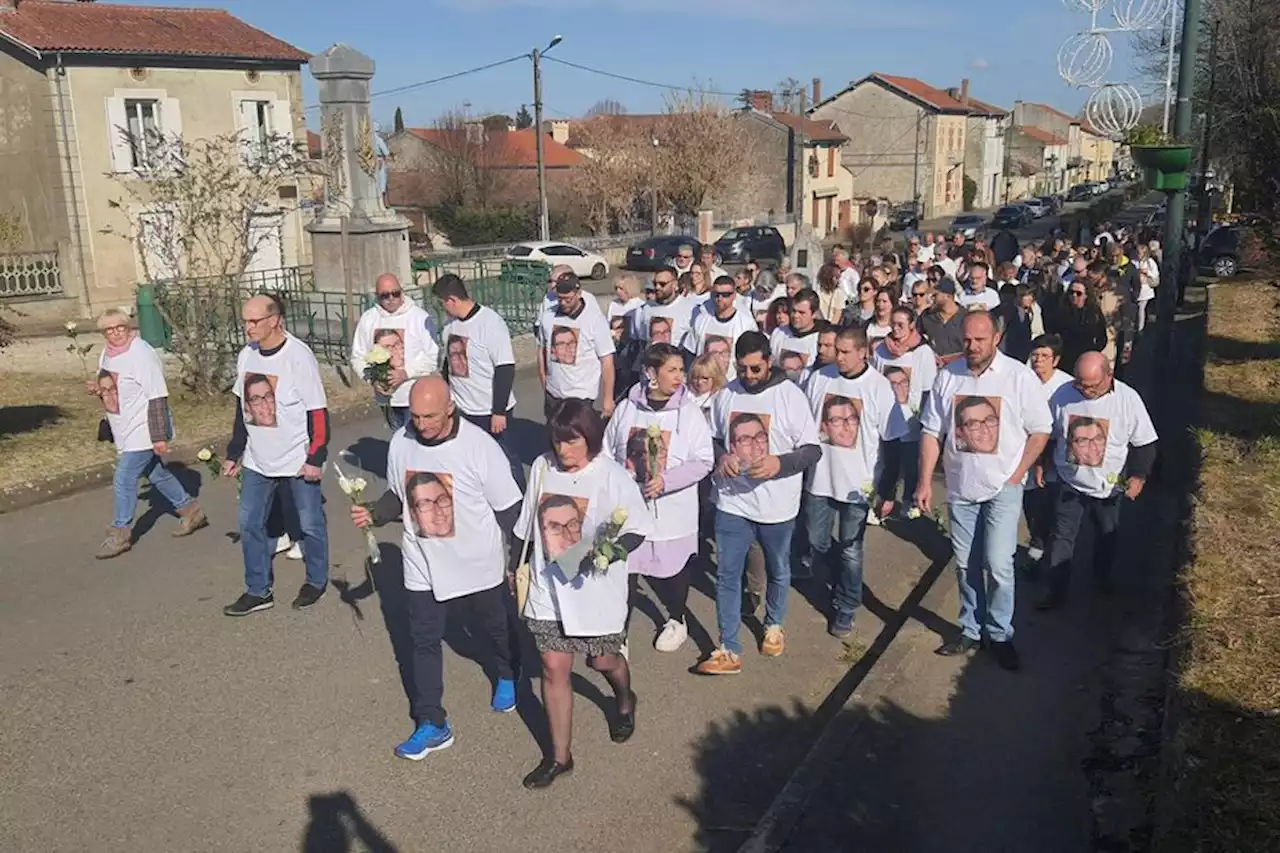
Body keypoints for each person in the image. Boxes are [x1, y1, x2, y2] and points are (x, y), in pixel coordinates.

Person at [350, 376, 524, 760]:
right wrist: (375, 513)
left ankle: (508, 671)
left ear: (450, 408)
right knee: (422, 639)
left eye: (429, 416)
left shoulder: (480, 448)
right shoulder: (402, 441)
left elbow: (511, 509)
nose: (421, 425)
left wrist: (519, 562)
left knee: (495, 626)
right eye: (414, 416)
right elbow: (400, 492)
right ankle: (432, 723)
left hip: (478, 561)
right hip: (422, 561)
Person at [510, 400, 652, 789]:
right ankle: (560, 757)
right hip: (547, 589)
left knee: (602, 662)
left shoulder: (610, 475)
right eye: (557, 442)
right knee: (554, 667)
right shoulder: (542, 468)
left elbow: (637, 527)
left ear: (589, 437)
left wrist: (610, 551)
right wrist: (512, 566)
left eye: (571, 442)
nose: (563, 451)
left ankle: (624, 697)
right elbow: (525, 527)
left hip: (594, 592)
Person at [916, 312, 1052, 671]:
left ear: (997, 337)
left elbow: (1040, 431)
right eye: (967, 340)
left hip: (1002, 488)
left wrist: (1017, 474)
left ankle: (1000, 633)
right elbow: (932, 432)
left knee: (998, 564)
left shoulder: (1018, 378)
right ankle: (971, 629)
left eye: (980, 339)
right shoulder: (949, 377)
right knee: (964, 564)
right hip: (961, 488)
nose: (972, 346)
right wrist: (924, 480)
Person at [695, 331, 821, 675]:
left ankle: (774, 624)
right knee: (727, 575)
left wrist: (780, 463)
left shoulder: (790, 397)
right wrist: (722, 458)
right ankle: (728, 647)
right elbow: (714, 440)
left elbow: (812, 450)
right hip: (732, 502)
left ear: (769, 362)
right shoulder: (726, 395)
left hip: (777, 506)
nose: (748, 376)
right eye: (742, 368)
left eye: (755, 369)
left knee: (778, 569)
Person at [222, 295, 331, 616]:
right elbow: (240, 409)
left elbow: (318, 413)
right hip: (258, 459)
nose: (248, 328)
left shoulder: (298, 356)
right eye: (245, 321)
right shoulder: (247, 356)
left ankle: (316, 581)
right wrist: (234, 452)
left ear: (275, 320)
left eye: (254, 321)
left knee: (310, 524)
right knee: (249, 523)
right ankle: (258, 590)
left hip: (297, 458)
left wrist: (316, 456)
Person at [604, 343, 714, 652]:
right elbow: (607, 450)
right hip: (629, 509)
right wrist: (619, 482)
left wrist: (666, 481)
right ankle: (618, 633)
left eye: (682, 369)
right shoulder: (628, 408)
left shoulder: (689, 413)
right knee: (625, 570)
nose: (680, 377)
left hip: (671, 512)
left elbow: (703, 460)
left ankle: (677, 618)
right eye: (672, 370)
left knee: (671, 572)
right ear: (651, 373)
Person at [1036, 352, 1157, 610]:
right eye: (1080, 384)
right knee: (1061, 537)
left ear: (1108, 376)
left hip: (1109, 486)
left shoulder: (1128, 400)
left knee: (1106, 535)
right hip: (1069, 482)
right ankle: (1056, 591)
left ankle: (1101, 580)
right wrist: (1042, 461)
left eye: (1091, 385)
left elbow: (1145, 444)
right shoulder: (1063, 395)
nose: (1085, 391)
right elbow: (1049, 433)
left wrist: (1139, 475)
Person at [804, 326, 901, 637]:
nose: (839, 357)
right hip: (820, 478)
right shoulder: (820, 378)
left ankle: (846, 605)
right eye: (837, 350)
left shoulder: (878, 386)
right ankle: (847, 581)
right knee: (817, 541)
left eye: (846, 352)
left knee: (851, 549)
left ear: (863, 352)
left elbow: (893, 440)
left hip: (858, 484)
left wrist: (887, 490)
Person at [89, 308, 206, 559]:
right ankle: (190, 509)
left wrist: (159, 436)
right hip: (124, 426)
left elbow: (157, 395)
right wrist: (98, 388)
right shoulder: (107, 354)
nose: (116, 333)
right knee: (156, 473)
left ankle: (121, 532)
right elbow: (111, 384)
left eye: (120, 327)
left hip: (143, 429)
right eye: (109, 330)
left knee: (124, 477)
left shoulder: (140, 353)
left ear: (129, 327)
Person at [433, 274, 524, 489]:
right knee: (469, 461)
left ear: (452, 300)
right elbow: (448, 366)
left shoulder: (490, 323)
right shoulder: (450, 327)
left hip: (489, 409)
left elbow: (505, 368)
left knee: (504, 459)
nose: (441, 308)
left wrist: (498, 411)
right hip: (463, 409)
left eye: (441, 303)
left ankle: (520, 502)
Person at [350, 273, 439, 430]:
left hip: (414, 397)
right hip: (387, 400)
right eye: (385, 295)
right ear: (377, 296)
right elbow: (358, 356)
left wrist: (406, 373)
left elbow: (432, 357)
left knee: (416, 445)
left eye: (395, 293)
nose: (391, 298)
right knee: (397, 445)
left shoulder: (419, 317)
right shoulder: (368, 319)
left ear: (401, 292)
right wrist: (373, 380)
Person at [872, 306, 937, 518]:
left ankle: (910, 500)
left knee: (911, 463)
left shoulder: (922, 351)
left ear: (911, 326)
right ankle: (884, 499)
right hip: (887, 418)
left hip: (912, 418)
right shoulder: (881, 349)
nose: (896, 329)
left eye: (901, 325)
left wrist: (926, 421)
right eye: (893, 324)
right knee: (888, 462)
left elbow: (928, 388)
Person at [1021, 333, 1073, 571]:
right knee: (1031, 504)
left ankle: (1044, 549)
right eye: (1035, 355)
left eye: (1044, 356)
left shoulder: (1066, 386)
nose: (1038, 360)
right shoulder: (1022, 380)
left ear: (1056, 360)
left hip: (1055, 454)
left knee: (1052, 506)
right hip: (1026, 452)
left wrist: (1046, 458)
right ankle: (1037, 542)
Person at [538, 271, 616, 421]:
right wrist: (544, 381)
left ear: (579, 294)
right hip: (553, 395)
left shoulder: (594, 320)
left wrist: (608, 398)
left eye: (568, 299)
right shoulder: (547, 317)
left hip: (581, 397)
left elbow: (607, 361)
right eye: (559, 298)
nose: (563, 303)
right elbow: (542, 350)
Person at [685, 275, 759, 382]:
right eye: (716, 294)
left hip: (731, 385)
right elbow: (690, 352)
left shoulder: (746, 323)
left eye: (725, 295)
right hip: (702, 383)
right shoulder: (701, 319)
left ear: (734, 295)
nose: (719, 298)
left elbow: (752, 358)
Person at [1051, 278, 1108, 370]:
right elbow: (1053, 332)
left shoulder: (1094, 312)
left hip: (1085, 358)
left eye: (1078, 293)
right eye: (1071, 292)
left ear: (1086, 295)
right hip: (1065, 359)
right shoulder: (1061, 310)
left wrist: (1092, 352)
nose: (1074, 295)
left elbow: (1102, 337)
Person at [769, 288, 822, 386]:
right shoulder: (779, 333)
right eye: (793, 311)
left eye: (801, 312)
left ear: (814, 314)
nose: (796, 316)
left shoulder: (821, 338)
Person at [638, 267, 694, 348]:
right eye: (655, 283)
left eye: (662, 284)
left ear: (674, 284)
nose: (657, 287)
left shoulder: (689, 309)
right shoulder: (647, 307)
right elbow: (643, 339)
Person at [919, 278, 965, 366]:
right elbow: (917, 337)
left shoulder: (965, 317)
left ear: (948, 296)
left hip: (959, 368)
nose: (932, 297)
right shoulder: (926, 316)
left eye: (935, 295)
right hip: (933, 367)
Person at [1000, 283, 1045, 362]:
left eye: (1031, 295)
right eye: (1026, 296)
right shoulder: (1009, 312)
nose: (1030, 298)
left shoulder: (1035, 310)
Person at [1135, 242, 1159, 333]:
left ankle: (1140, 328)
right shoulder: (1135, 262)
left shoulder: (1150, 262)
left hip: (1145, 289)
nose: (1138, 255)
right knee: (1138, 308)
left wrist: (1147, 272)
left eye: (1140, 253)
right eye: (1137, 252)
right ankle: (1138, 325)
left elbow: (1155, 275)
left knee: (1141, 308)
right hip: (1136, 287)